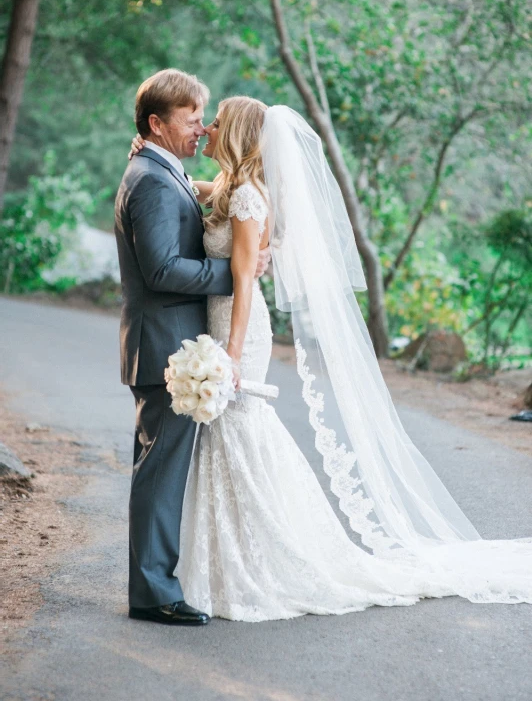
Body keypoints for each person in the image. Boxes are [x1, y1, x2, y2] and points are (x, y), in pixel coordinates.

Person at [128, 95, 532, 622]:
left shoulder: (250, 197)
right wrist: (146, 149)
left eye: (216, 123)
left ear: (237, 134)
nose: (206, 129)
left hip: (237, 333)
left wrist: (228, 356)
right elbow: (193, 190)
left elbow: (246, 283)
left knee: (243, 438)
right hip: (218, 324)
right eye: (202, 121)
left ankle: (275, 559)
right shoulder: (230, 188)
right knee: (226, 447)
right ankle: (231, 566)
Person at [114, 71, 270, 626]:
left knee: (163, 468)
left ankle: (160, 582)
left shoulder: (162, 169)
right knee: (160, 471)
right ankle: (154, 594)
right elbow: (159, 268)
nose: (201, 128)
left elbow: (217, 198)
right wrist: (233, 272)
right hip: (165, 348)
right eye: (191, 119)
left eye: (205, 118)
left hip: (173, 345)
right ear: (157, 124)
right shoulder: (152, 179)